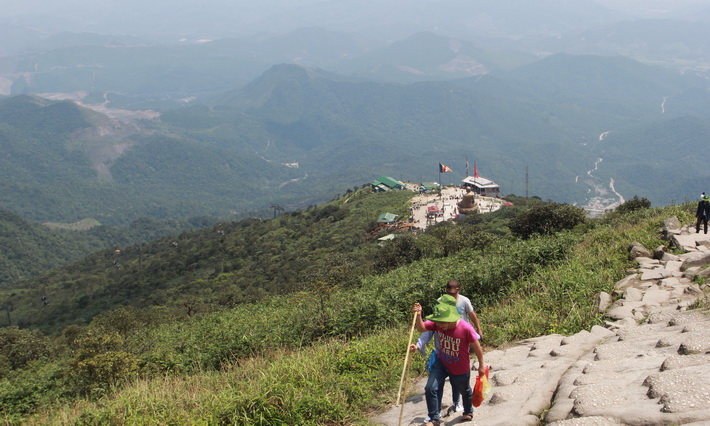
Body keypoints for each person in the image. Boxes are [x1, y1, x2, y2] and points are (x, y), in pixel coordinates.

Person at [411, 295, 485, 426]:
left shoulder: (466, 328)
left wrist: (481, 365)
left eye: (442, 323)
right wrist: (418, 315)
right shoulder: (437, 323)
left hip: (459, 366)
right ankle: (434, 419)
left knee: (464, 390)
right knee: (430, 388)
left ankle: (468, 411)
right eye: (438, 322)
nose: (439, 325)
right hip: (441, 361)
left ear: (451, 319)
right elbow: (421, 328)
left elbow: (477, 347)